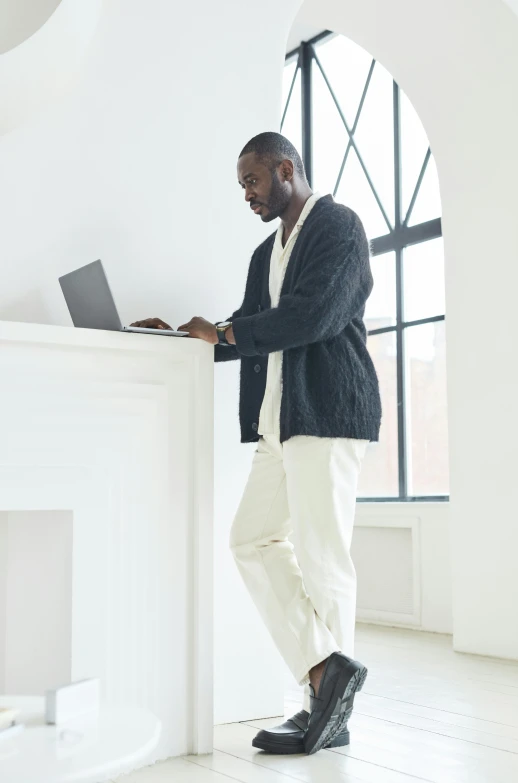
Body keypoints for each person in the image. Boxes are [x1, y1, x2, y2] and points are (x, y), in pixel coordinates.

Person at [131, 131, 382, 755]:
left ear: (285, 169)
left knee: (325, 559)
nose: (246, 194)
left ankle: (329, 712)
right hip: (279, 421)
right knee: (251, 539)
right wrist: (185, 340)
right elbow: (248, 333)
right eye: (242, 185)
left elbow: (313, 315)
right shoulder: (263, 253)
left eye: (252, 181)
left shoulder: (339, 228)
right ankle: (326, 679)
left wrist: (221, 333)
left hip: (327, 411)